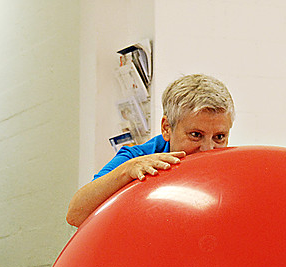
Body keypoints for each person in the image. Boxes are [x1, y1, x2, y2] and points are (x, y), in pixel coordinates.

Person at [66, 74, 235, 227]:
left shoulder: (232, 162)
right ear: (167, 128)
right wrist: (127, 171)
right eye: (196, 135)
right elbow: (76, 214)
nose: (208, 149)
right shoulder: (139, 158)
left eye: (219, 137)